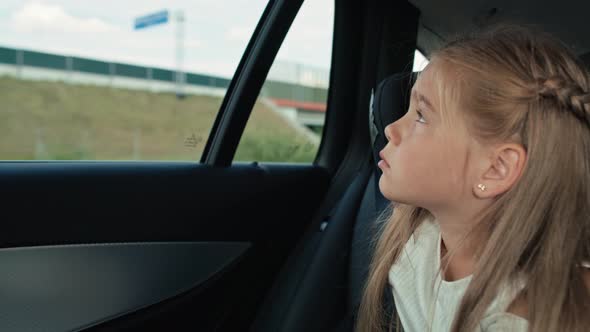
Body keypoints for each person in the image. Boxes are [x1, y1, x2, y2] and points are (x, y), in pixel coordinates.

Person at [355, 24, 590, 332]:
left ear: (495, 169)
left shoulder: (520, 319)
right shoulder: (414, 235)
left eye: (422, 115)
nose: (391, 129)